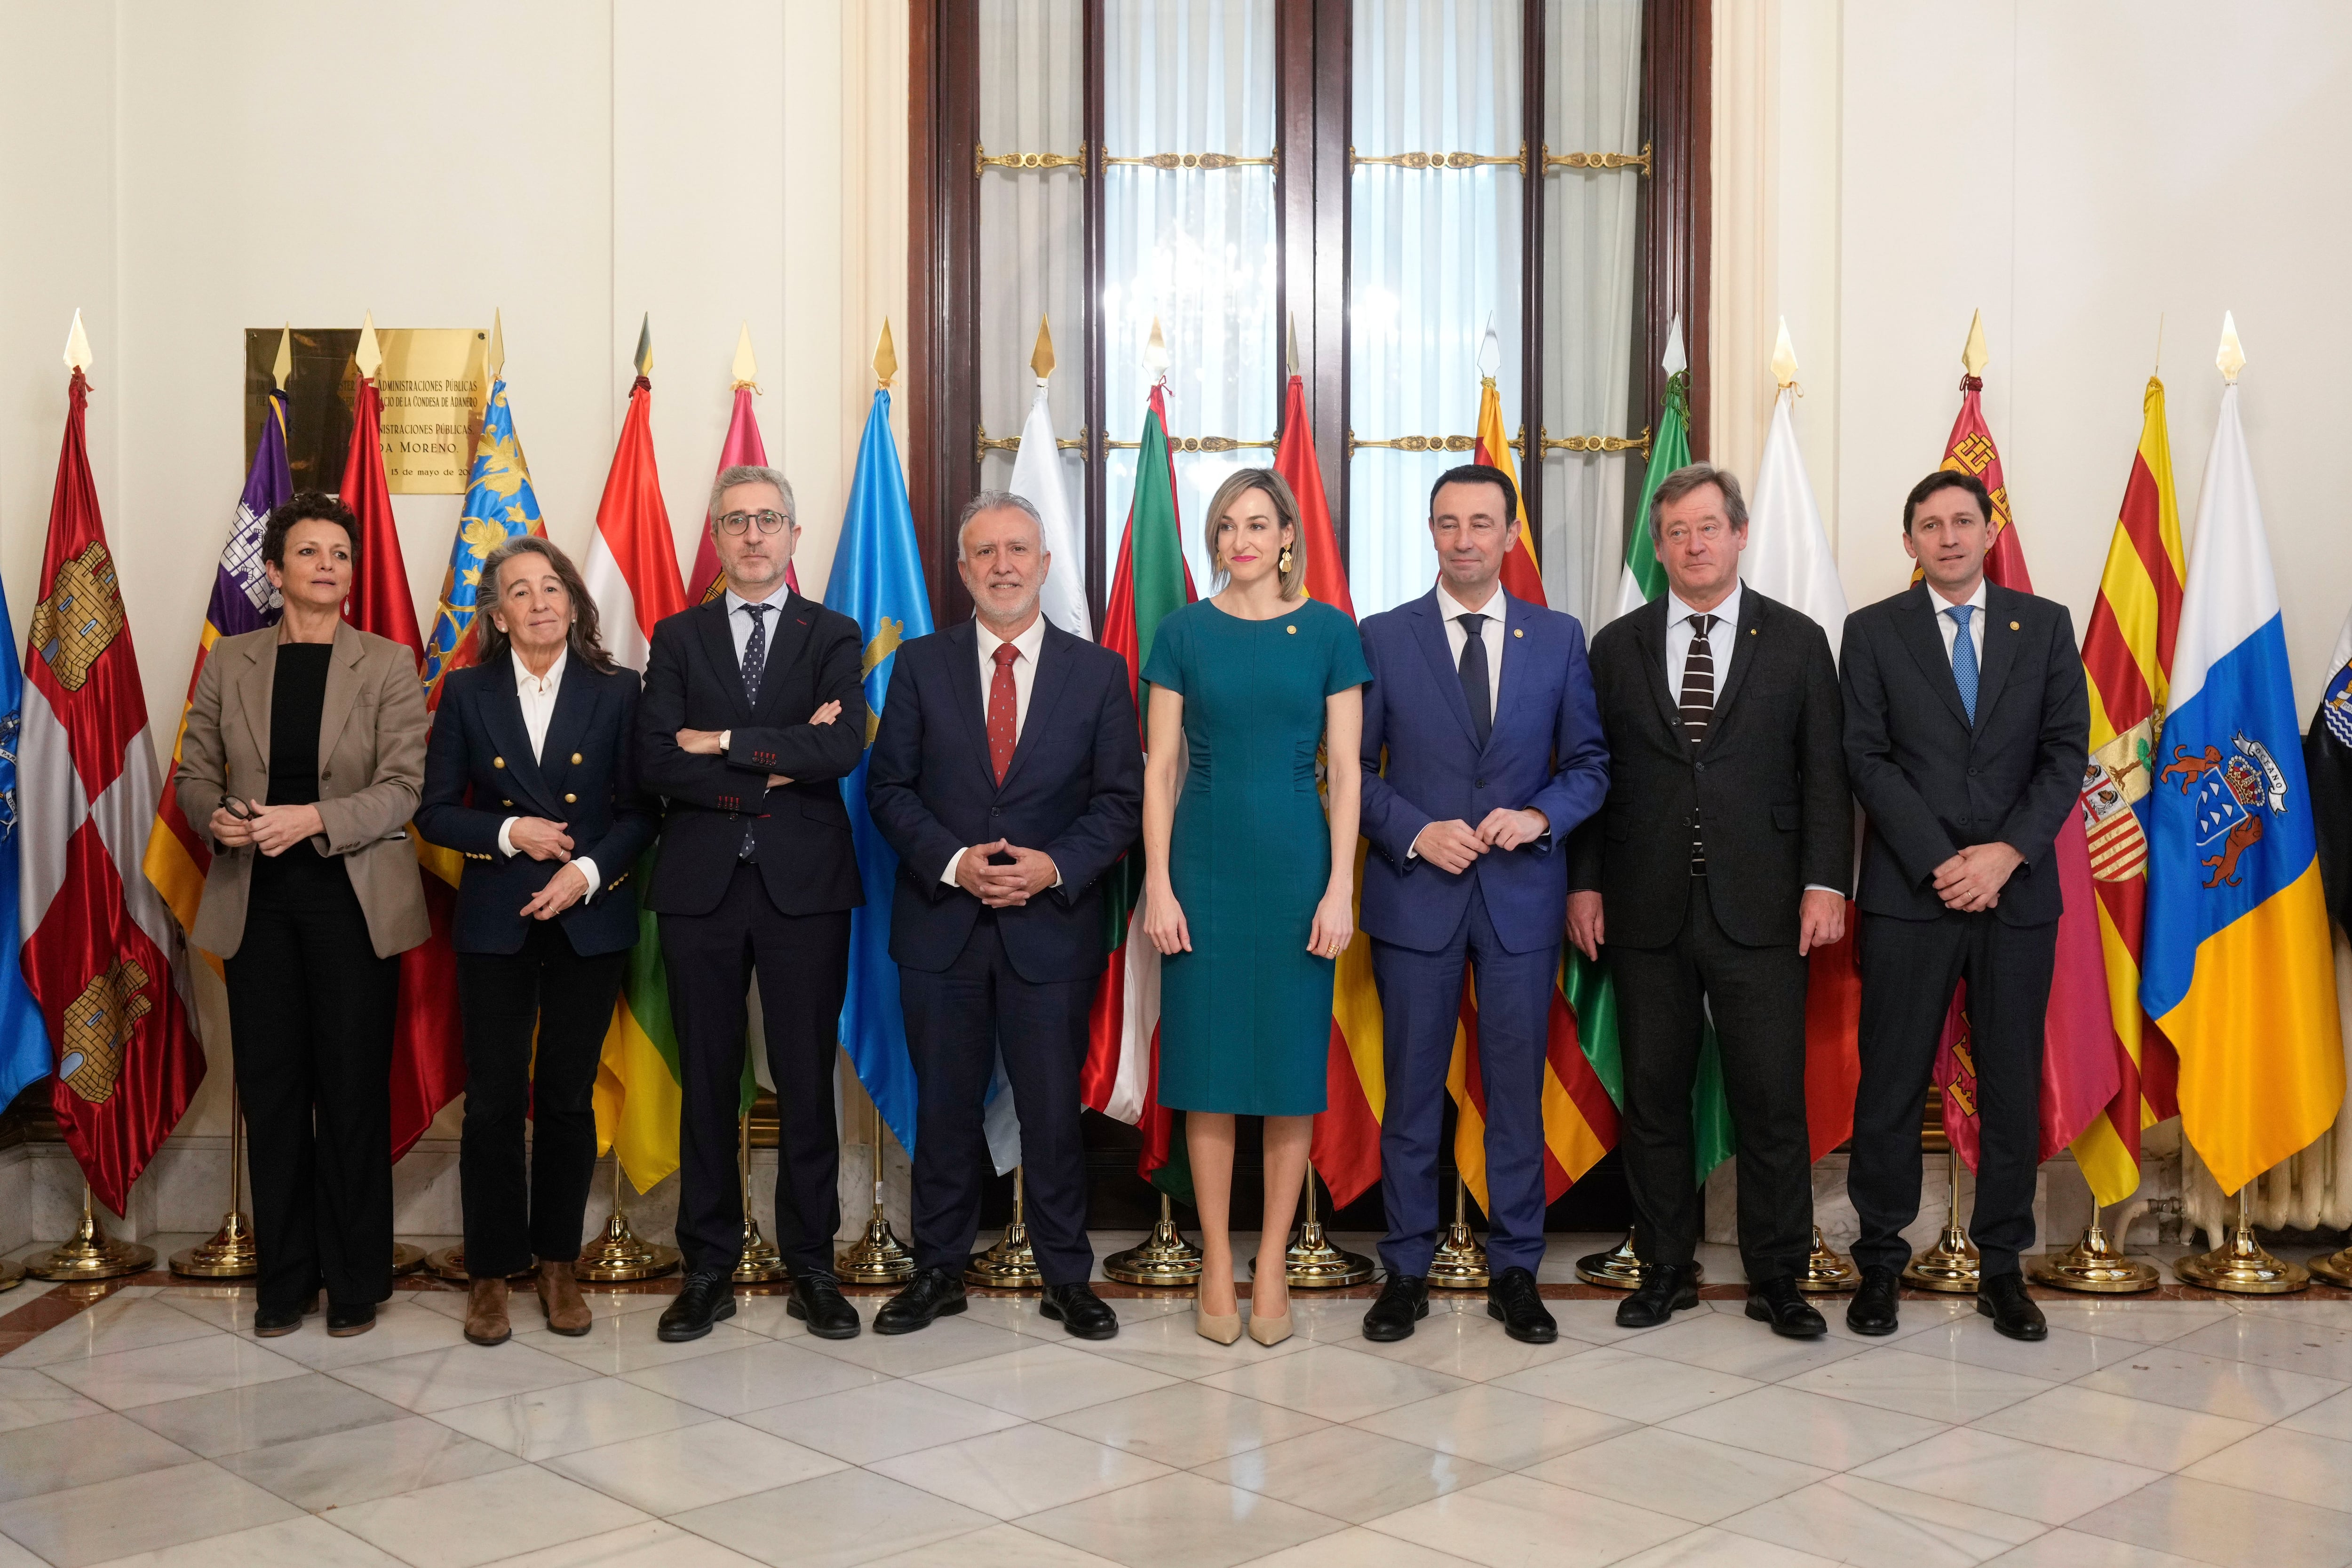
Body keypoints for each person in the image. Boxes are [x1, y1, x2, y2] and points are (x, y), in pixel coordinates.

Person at [1565, 464, 1851, 1338]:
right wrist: (1583, 880)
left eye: (1707, 527)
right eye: (1677, 532)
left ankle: (1779, 1277)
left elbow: (1826, 777)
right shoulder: (1615, 646)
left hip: (1765, 910)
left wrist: (1825, 881)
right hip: (1644, 907)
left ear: (1739, 532)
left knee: (1772, 1101)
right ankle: (1662, 1268)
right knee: (1655, 1098)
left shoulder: (1798, 641)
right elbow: (1590, 774)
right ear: (1659, 547)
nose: (1693, 544)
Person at [865, 493, 1143, 1340]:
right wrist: (957, 864)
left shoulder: (1096, 673)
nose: (1003, 565)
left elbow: (1121, 799)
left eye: (1018, 549)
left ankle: (1067, 1275)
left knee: (1054, 1113)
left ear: (1045, 564)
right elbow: (888, 790)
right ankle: (938, 1270)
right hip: (940, 926)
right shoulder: (918, 664)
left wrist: (1051, 865)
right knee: (942, 1108)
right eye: (984, 552)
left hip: (1051, 928)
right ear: (962, 571)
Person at [1354, 464, 1608, 1345]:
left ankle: (1516, 1272)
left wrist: (1540, 815)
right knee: (1413, 1095)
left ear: (1510, 534)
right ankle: (1404, 1272)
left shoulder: (1559, 636)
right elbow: (1344, 770)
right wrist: (1417, 833)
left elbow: (1590, 765)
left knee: (1514, 1093)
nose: (1464, 538)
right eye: (1448, 522)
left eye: (1482, 523)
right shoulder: (1383, 637)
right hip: (1415, 895)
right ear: (1431, 532)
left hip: (1521, 902)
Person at [1840, 469, 2089, 1343]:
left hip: (2018, 893)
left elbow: (2066, 755)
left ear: (1991, 531)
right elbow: (1866, 758)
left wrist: (2006, 854)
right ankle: (1878, 1262)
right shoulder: (1870, 633)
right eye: (1929, 525)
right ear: (1907, 541)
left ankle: (2002, 1269)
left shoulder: (2047, 626)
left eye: (1962, 521)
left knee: (2012, 1083)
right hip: (1914, 894)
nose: (1947, 537)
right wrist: (1946, 861)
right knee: (1893, 1081)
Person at [174, 492, 430, 1340]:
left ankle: (356, 1279)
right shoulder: (230, 660)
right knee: (274, 1093)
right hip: (257, 901)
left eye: (341, 555)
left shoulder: (389, 664)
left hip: (352, 901)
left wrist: (311, 819)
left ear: (354, 575)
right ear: (276, 570)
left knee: (352, 1091)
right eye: (310, 552)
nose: (327, 565)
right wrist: (215, 812)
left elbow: (403, 788)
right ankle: (286, 1278)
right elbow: (194, 772)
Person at [640, 464, 868, 1344]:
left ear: (794, 536)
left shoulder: (833, 633)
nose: (753, 535)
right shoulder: (677, 635)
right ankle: (708, 1264)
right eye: (735, 521)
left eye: (769, 519)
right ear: (716, 535)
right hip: (700, 885)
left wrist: (726, 740)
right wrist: (775, 763)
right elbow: (659, 760)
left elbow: (842, 747)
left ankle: (811, 1261)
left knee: (807, 1080)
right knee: (707, 1079)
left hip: (805, 887)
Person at [1140, 468, 1367, 1347]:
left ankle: (1270, 1258)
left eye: (1258, 523)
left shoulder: (1332, 635)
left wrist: (1341, 884)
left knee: (1284, 1075)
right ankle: (1214, 1258)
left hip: (1296, 867)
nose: (1241, 538)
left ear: (1286, 538)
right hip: (1200, 866)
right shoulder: (1182, 632)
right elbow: (1158, 769)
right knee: (1208, 1075)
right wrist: (1159, 881)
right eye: (1227, 524)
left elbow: (1345, 773)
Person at [418, 536, 660, 1348]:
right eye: (520, 591)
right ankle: (491, 1272)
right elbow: (433, 811)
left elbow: (641, 812)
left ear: (575, 601)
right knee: (491, 1103)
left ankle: (558, 1263)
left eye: (551, 586)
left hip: (589, 917)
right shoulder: (465, 691)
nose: (540, 601)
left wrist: (585, 873)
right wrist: (511, 830)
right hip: (495, 919)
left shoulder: (620, 689)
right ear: (497, 613)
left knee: (565, 1097)